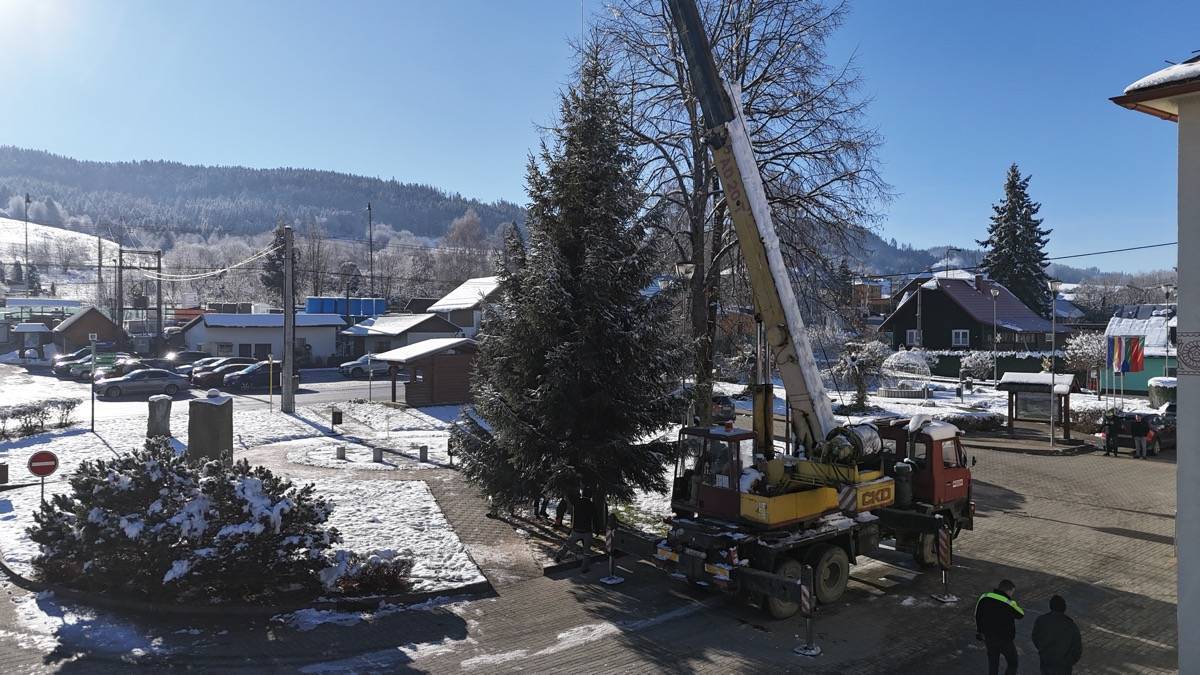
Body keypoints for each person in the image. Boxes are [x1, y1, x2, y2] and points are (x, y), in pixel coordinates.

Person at [975, 579, 1025, 675]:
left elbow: (977, 615)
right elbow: (1021, 614)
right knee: (1013, 663)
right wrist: (1013, 603)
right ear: (1008, 591)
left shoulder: (984, 597)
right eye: (1012, 592)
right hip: (1005, 640)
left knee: (993, 664)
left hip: (989, 637)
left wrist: (979, 631)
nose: (1012, 595)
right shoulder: (1009, 603)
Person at [1032, 595, 1083, 675]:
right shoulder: (1071, 625)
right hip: (1063, 666)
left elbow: (1035, 637)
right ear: (1064, 607)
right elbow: (1077, 648)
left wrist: (1043, 651)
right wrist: (1068, 661)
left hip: (1046, 661)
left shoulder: (1041, 620)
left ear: (1051, 606)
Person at [554, 490, 595, 572]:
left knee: (568, 544)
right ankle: (584, 568)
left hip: (576, 529)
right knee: (587, 551)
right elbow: (595, 518)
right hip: (587, 531)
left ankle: (559, 556)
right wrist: (596, 530)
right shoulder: (592, 505)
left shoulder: (577, 502)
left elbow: (570, 497)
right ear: (590, 496)